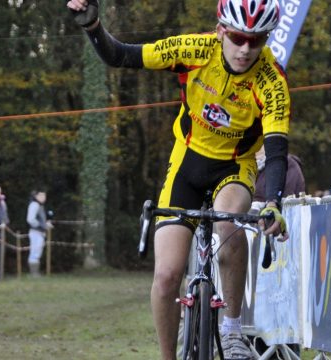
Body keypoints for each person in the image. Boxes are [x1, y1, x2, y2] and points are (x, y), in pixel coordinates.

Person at [67, 1, 290, 358]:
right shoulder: (196, 50)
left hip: (234, 167)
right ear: (220, 30)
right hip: (187, 162)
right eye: (237, 37)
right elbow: (121, 55)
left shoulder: (271, 81)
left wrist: (275, 204)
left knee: (229, 222)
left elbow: (277, 150)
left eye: (256, 40)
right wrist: (93, 26)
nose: (245, 49)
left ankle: (232, 331)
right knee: (168, 275)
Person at [26, 189, 53, 277]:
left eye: (44, 195)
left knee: (37, 252)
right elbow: (30, 219)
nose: (43, 197)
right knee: (35, 252)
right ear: (36, 196)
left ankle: (35, 273)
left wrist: (45, 225)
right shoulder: (34, 205)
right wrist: (42, 225)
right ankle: (34, 273)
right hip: (35, 232)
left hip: (39, 232)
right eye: (41, 195)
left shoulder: (39, 205)